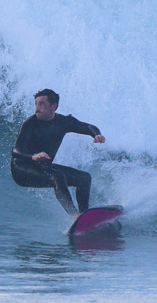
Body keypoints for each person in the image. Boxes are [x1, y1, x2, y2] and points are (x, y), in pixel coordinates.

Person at [11, 88, 106, 216]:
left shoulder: (63, 122)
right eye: (36, 103)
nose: (37, 108)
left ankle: (84, 216)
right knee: (57, 176)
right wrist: (33, 156)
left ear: (53, 106)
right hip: (21, 169)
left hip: (43, 167)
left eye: (42, 104)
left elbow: (87, 127)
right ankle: (74, 215)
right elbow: (16, 150)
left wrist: (97, 134)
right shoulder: (30, 124)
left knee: (84, 178)